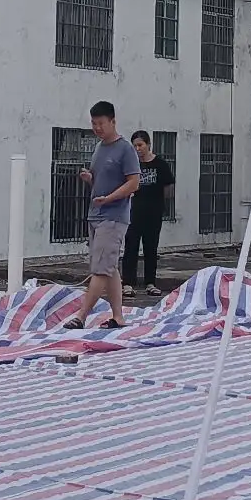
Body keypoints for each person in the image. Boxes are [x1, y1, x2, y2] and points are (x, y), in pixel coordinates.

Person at [67, 100, 141, 329]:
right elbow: (103, 180)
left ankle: (81, 316)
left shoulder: (126, 149)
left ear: (113, 122)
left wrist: (109, 198)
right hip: (96, 215)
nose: (97, 128)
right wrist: (91, 180)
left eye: (101, 123)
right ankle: (118, 316)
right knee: (109, 268)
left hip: (114, 216)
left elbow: (134, 183)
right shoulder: (99, 148)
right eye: (93, 123)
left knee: (100, 268)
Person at [122, 130, 175, 298]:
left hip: (153, 212)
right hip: (133, 212)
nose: (138, 149)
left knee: (151, 248)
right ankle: (128, 283)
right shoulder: (132, 165)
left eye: (140, 145)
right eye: (135, 146)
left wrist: (158, 202)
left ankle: (150, 283)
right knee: (131, 248)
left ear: (148, 145)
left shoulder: (160, 164)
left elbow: (168, 187)